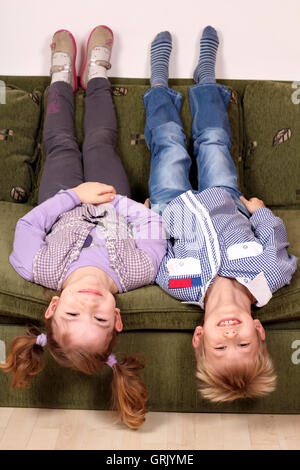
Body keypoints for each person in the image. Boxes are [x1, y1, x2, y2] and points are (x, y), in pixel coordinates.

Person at [1, 26, 167, 429]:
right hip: (112, 197)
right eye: (99, 320)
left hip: (62, 196)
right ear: (118, 319)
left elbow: (29, 223)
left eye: (74, 313)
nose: (89, 306)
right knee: (99, 141)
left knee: (60, 142)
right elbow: (152, 222)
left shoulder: (39, 269)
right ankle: (96, 74)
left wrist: (74, 196)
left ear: (54, 306)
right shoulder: (139, 271)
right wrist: (112, 200)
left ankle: (59, 75)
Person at [143, 27, 298, 401]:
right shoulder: (268, 279)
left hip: (170, 204)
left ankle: (159, 79)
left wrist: (145, 222)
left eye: (220, 347)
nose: (231, 338)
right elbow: (276, 240)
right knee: (213, 139)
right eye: (243, 346)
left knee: (168, 144)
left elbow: (157, 257)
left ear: (200, 337)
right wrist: (260, 213)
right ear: (259, 334)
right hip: (224, 197)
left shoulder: (182, 287)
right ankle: (206, 76)